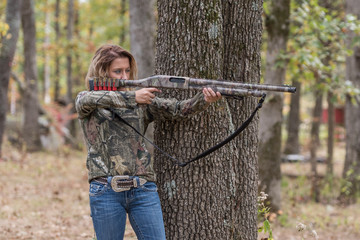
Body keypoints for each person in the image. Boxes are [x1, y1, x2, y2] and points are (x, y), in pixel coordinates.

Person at [75, 44, 221, 240]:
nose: (124, 77)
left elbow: (179, 109)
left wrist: (204, 99)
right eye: (117, 71)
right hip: (106, 190)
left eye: (127, 70)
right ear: (102, 72)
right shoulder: (88, 99)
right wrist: (132, 96)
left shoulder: (141, 101)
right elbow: (86, 100)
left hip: (143, 189)